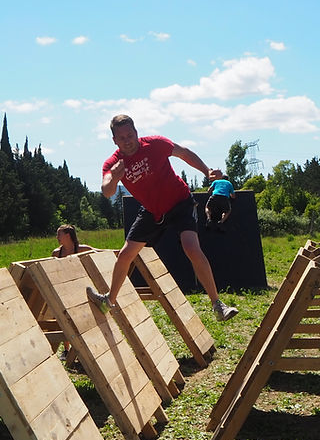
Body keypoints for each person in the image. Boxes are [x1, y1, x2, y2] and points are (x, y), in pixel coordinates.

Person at [87, 114, 238, 321]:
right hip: (152, 211)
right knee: (125, 254)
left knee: (191, 247)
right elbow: (106, 190)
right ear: (114, 141)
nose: (127, 140)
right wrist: (114, 177)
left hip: (180, 202)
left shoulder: (155, 144)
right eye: (121, 138)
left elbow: (183, 153)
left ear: (136, 133)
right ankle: (108, 301)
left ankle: (217, 305)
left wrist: (207, 171)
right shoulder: (113, 163)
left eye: (130, 135)